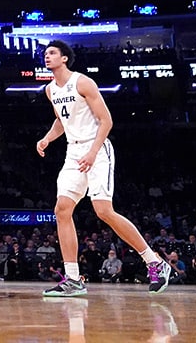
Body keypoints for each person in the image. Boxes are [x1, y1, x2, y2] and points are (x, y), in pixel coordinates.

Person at [37, 40, 171, 297]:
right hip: (73, 151)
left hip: (97, 149)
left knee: (103, 211)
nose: (47, 56)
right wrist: (46, 139)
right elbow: (61, 121)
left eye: (52, 53)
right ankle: (73, 279)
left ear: (65, 58)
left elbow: (106, 120)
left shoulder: (83, 82)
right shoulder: (50, 89)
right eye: (45, 53)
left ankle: (154, 261)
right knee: (61, 210)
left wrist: (92, 152)